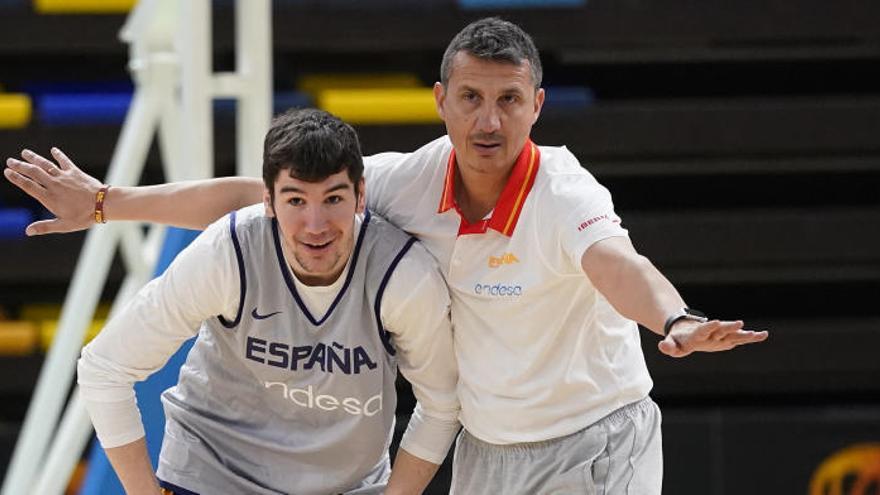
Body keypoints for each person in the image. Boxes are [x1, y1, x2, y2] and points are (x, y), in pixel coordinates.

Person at [5, 17, 768, 494]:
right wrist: (108, 203)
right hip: (489, 449)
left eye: (509, 99)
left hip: (592, 436)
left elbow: (616, 264)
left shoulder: (563, 193)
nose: (490, 118)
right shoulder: (400, 183)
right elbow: (266, 194)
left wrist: (675, 316)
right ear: (442, 100)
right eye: (472, 97)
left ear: (536, 105)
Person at [14, 109, 460, 495]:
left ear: (361, 196)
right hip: (212, 475)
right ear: (267, 200)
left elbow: (442, 405)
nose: (316, 224)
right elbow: (104, 367)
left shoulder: (402, 274)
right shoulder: (229, 252)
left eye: (334, 199)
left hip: (347, 484)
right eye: (296, 200)